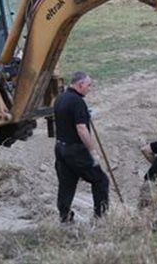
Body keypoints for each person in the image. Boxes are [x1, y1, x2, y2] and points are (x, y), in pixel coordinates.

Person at [53, 71, 110, 223]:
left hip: (60, 148)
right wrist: (92, 152)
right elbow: (81, 129)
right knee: (100, 181)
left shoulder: (60, 98)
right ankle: (101, 218)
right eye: (88, 85)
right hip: (75, 150)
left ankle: (64, 217)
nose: (89, 88)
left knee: (66, 184)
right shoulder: (77, 101)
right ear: (80, 85)